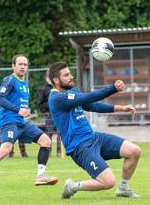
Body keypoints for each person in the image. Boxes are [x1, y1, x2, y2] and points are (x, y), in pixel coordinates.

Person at [48, 62, 141, 199]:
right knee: (108, 182)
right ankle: (73, 186)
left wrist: (121, 108)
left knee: (134, 151)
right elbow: (88, 97)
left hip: (94, 138)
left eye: (70, 73)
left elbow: (92, 105)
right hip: (80, 147)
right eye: (66, 75)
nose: (71, 76)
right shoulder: (56, 98)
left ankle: (123, 189)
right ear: (56, 80)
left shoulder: (72, 92)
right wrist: (113, 88)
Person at [0, 54, 57, 188]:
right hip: (8, 121)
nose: (22, 67)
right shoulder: (10, 80)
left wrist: (25, 111)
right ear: (13, 66)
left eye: (25, 64)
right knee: (6, 149)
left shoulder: (25, 84)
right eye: (20, 64)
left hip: (21, 122)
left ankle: (41, 175)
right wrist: (18, 110)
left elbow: (19, 104)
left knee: (46, 141)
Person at [37, 76, 62, 157]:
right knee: (49, 133)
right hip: (49, 115)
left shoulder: (59, 87)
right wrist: (47, 109)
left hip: (59, 114)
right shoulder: (44, 89)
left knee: (60, 133)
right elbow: (40, 103)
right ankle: (48, 151)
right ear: (47, 78)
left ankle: (59, 151)